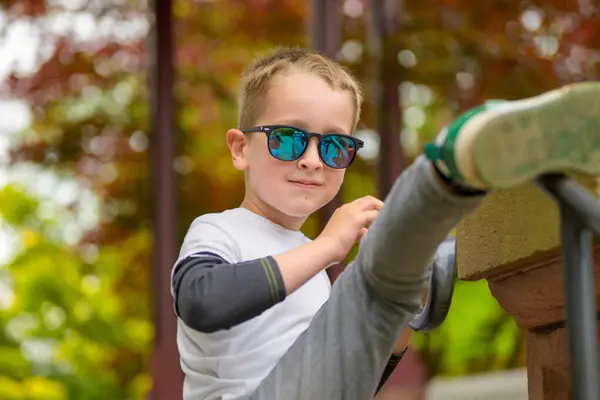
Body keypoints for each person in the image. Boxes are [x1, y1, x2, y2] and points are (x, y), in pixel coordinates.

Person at [171, 47, 600, 400]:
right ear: (240, 148)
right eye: (288, 138)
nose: (311, 160)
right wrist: (330, 246)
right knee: (367, 276)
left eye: (335, 146)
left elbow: (350, 383)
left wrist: (399, 324)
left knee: (372, 286)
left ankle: (410, 261)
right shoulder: (220, 230)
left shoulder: (311, 267)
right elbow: (202, 303)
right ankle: (443, 174)